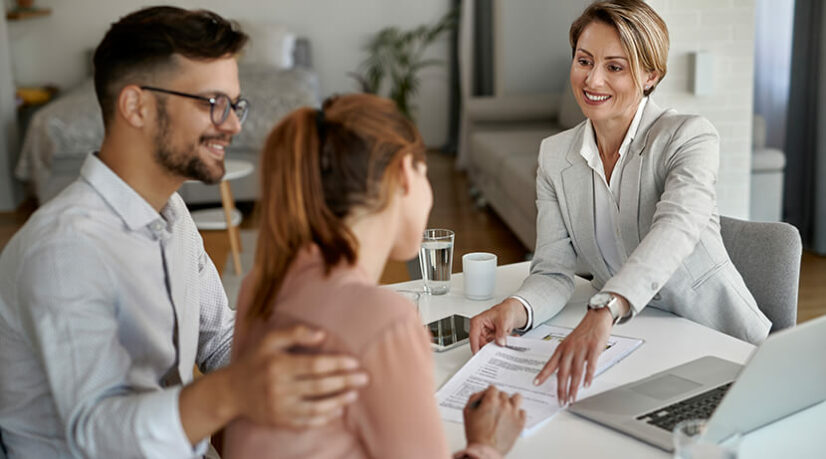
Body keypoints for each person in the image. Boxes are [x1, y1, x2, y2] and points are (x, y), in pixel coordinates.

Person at [0, 7, 369, 458]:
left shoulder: (171, 213)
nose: (233, 124)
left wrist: (293, 371)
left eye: (235, 105)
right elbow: (98, 437)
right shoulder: (65, 248)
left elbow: (219, 338)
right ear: (136, 106)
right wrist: (234, 390)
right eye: (211, 102)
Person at [469, 0, 771, 407]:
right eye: (584, 60)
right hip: (636, 344)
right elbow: (554, 270)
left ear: (650, 75)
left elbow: (676, 227)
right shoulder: (555, 155)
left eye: (615, 66)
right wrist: (516, 307)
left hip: (718, 347)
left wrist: (605, 309)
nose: (592, 79)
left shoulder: (689, 137)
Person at [223, 93, 526, 459]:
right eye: (424, 171)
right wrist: (485, 446)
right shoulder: (383, 319)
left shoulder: (260, 282)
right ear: (403, 175)